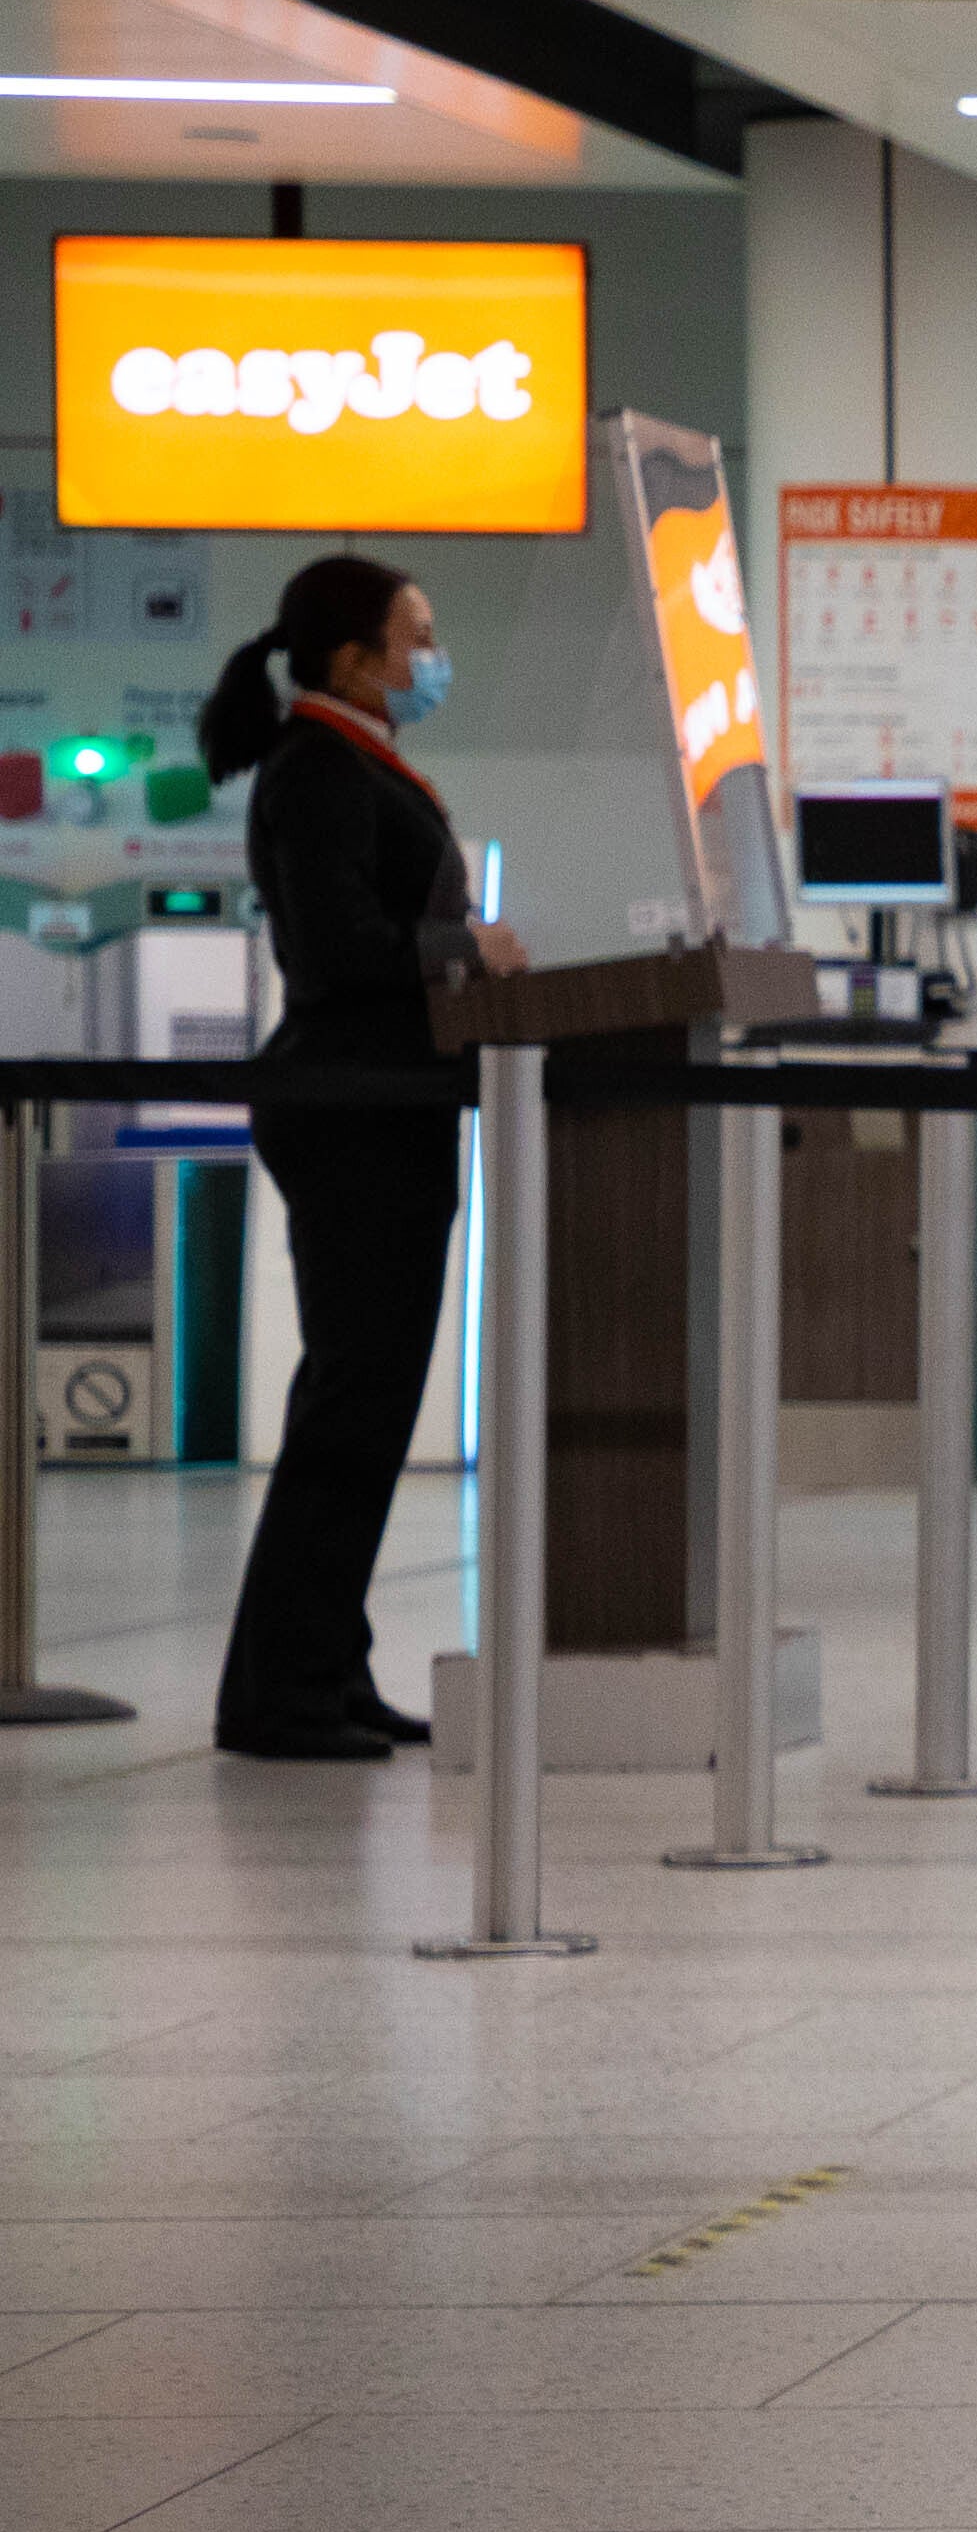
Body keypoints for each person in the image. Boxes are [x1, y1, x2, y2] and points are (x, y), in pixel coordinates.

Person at [207, 552, 524, 1761]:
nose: (433, 655)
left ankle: (325, 1665)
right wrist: (467, 947)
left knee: (365, 1407)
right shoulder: (320, 770)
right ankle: (279, 1692)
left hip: (390, 1108)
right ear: (355, 657)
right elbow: (339, 945)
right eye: (418, 634)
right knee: (350, 1406)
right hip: (350, 1110)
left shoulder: (354, 762)